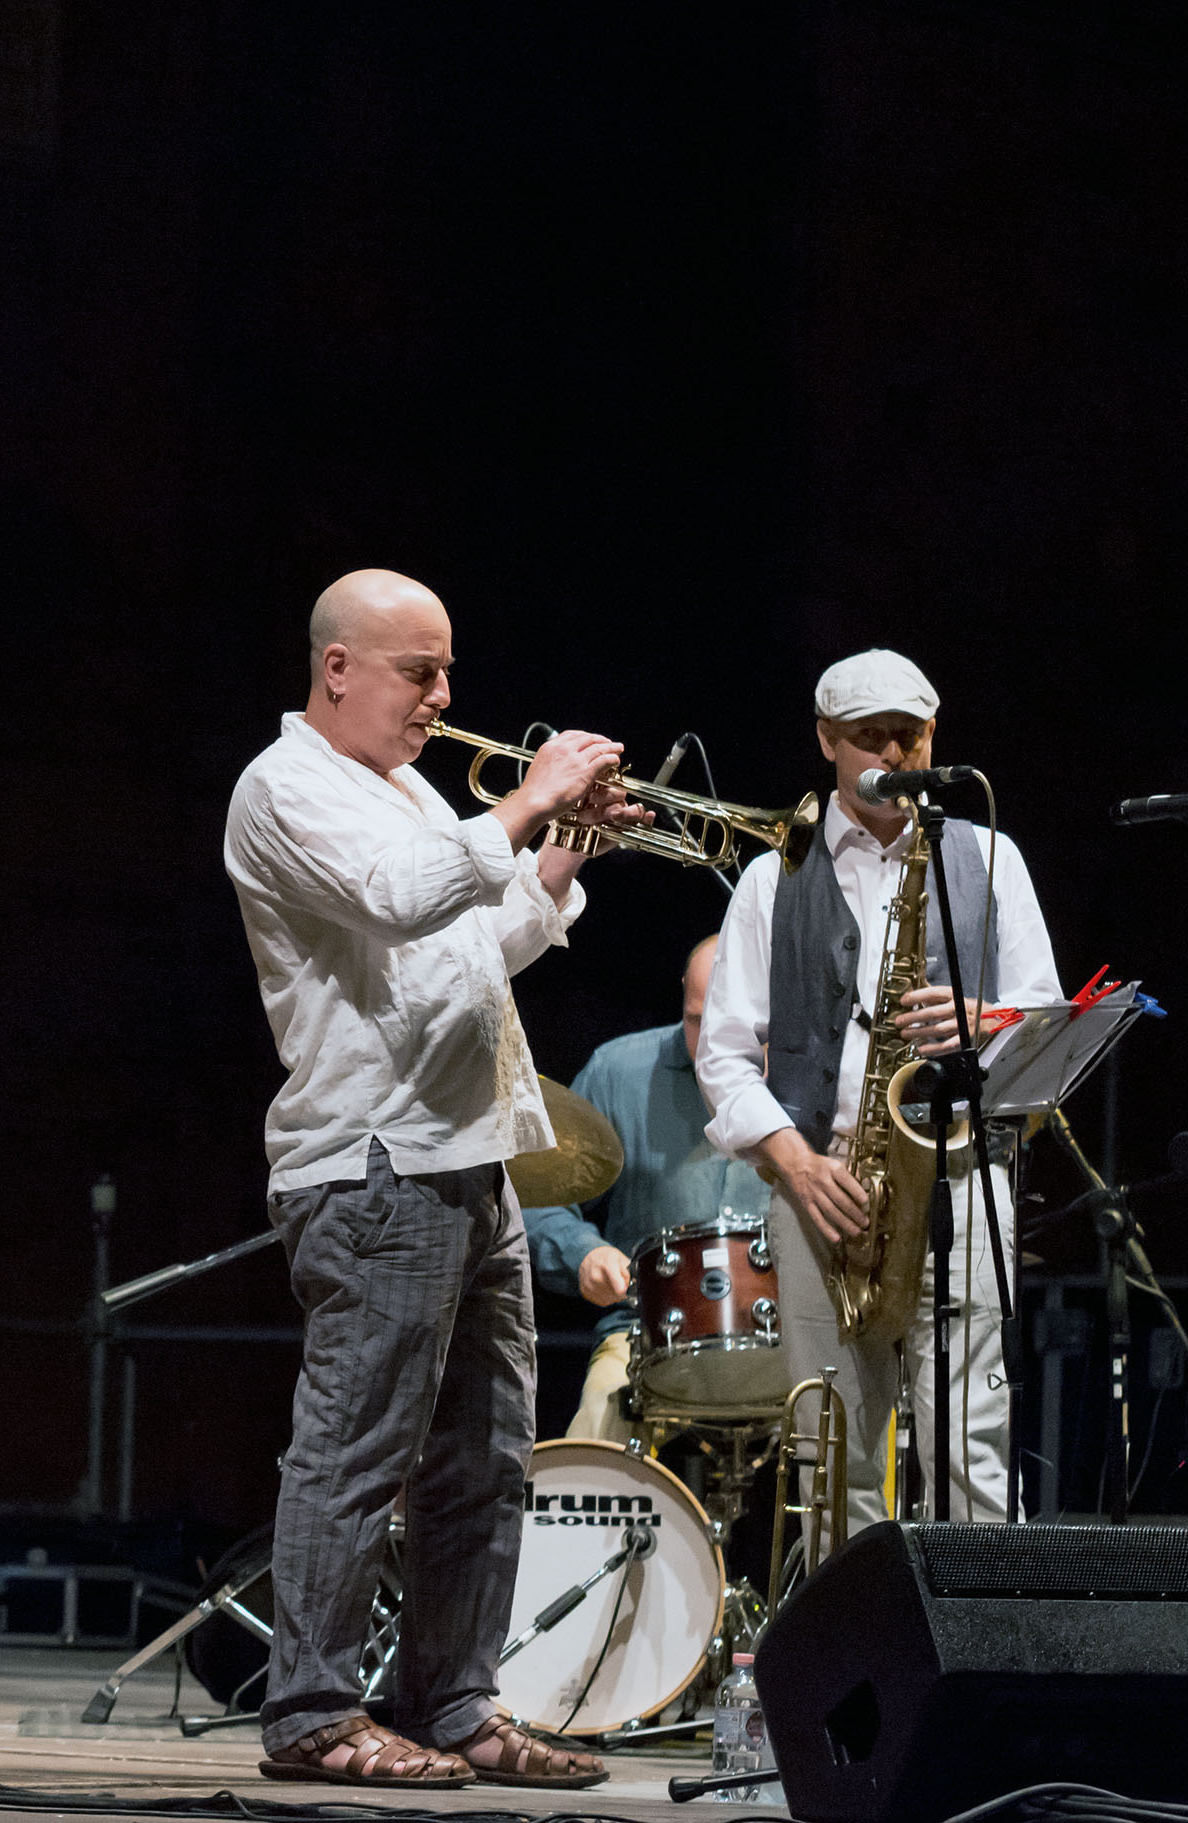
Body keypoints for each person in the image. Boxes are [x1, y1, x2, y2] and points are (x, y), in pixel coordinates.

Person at [224, 569, 642, 1791]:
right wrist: (525, 802)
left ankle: (451, 1700)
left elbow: (471, 946)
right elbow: (406, 900)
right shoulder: (283, 786)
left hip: (467, 1160)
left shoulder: (405, 788)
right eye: (421, 672)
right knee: (354, 1452)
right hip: (372, 1166)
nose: (442, 697)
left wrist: (557, 856)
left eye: (446, 671)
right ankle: (308, 1712)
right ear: (337, 666)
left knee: (487, 1455)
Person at [696, 649, 1058, 1526]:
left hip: (963, 1184)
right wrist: (793, 1160)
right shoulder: (769, 878)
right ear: (826, 739)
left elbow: (1044, 1020)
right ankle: (850, 1663)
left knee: (970, 1449)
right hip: (825, 1190)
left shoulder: (989, 857)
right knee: (835, 1466)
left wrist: (988, 1019)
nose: (893, 755)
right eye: (870, 736)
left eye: (911, 734)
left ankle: (983, 1659)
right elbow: (725, 1056)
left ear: (935, 736)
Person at [525, 936, 771, 1443]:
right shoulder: (619, 1072)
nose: (710, 1046)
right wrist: (584, 1254)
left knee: (850, 1449)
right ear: (683, 995)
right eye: (697, 1021)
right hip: (643, 1337)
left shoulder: (822, 1083)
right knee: (594, 1451)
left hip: (788, 1341)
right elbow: (536, 1201)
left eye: (735, 1028)